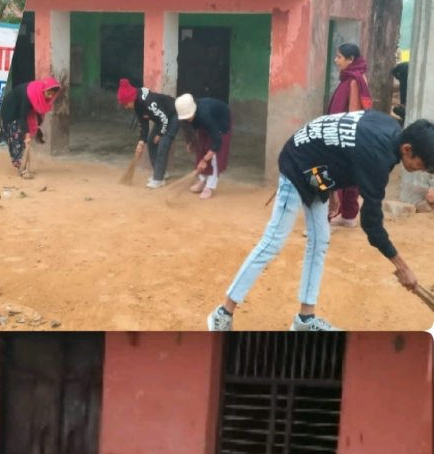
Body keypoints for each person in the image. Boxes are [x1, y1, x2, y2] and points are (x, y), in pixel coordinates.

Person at [206, 113, 434, 331]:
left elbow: (340, 145)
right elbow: (372, 224)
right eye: (422, 164)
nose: (420, 170)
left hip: (316, 170)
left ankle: (305, 319)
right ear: (407, 149)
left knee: (320, 241)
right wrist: (402, 267)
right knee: (273, 240)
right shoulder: (377, 156)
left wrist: (330, 186)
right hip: (297, 164)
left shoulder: (388, 127)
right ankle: (222, 313)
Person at [326, 44, 372, 228]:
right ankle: (348, 215)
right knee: (350, 175)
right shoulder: (353, 78)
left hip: (346, 135)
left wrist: (342, 136)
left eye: (339, 57)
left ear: (351, 59)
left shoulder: (354, 80)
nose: (336, 60)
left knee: (338, 174)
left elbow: (353, 112)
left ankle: (334, 214)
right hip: (348, 134)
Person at [117, 78, 179, 189]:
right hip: (161, 120)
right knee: (150, 142)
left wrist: (160, 134)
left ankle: (158, 179)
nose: (126, 107)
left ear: (131, 99)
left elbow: (164, 118)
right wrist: (141, 142)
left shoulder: (148, 102)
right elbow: (144, 124)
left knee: (163, 144)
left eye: (126, 104)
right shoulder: (137, 104)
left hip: (173, 115)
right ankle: (160, 173)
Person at [0, 77, 62, 178]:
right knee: (17, 137)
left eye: (52, 94)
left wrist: (36, 127)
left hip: (22, 111)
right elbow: (22, 117)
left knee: (25, 137)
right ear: (43, 90)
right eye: (48, 93)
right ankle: (21, 167)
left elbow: (37, 111)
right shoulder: (30, 94)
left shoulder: (39, 95)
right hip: (11, 110)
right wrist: (27, 134)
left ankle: (24, 166)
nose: (50, 96)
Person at [175, 93, 232, 199]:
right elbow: (189, 130)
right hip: (206, 122)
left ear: (193, 109)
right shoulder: (187, 117)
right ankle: (202, 181)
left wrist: (205, 160)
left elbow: (217, 142)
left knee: (215, 156)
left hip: (220, 123)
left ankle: (209, 186)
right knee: (200, 148)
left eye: (189, 116)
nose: (187, 119)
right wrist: (189, 142)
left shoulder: (205, 115)